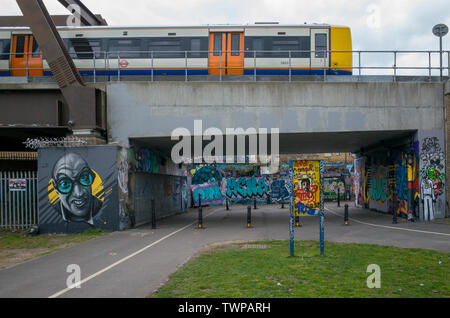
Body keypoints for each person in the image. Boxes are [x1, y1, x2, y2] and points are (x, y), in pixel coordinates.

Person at [51, 153, 103, 225]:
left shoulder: (102, 207)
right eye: (65, 184)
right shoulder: (52, 212)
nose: (79, 193)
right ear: (55, 187)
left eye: (84, 178)